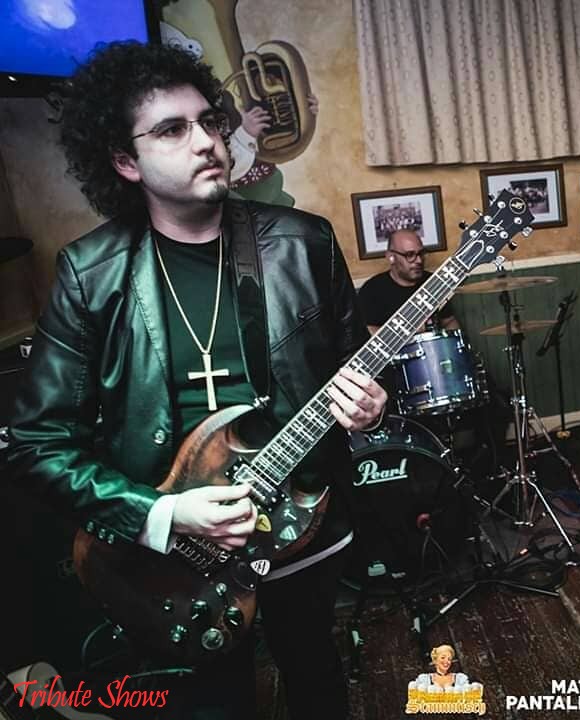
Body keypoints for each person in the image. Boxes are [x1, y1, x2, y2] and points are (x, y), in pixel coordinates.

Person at [5, 41, 388, 720]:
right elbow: (35, 444)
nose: (208, 140)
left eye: (210, 121)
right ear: (125, 161)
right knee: (211, 705)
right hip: (170, 562)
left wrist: (370, 408)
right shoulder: (91, 274)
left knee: (315, 675)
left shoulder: (304, 242)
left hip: (302, 522)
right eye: (171, 129)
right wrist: (163, 514)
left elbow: (354, 369)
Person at [356, 227, 460, 336]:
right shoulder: (372, 290)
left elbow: (449, 321)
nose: (419, 260)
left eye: (421, 253)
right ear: (391, 257)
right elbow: (367, 330)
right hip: (397, 347)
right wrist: (405, 333)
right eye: (409, 255)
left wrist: (451, 340)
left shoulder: (434, 282)